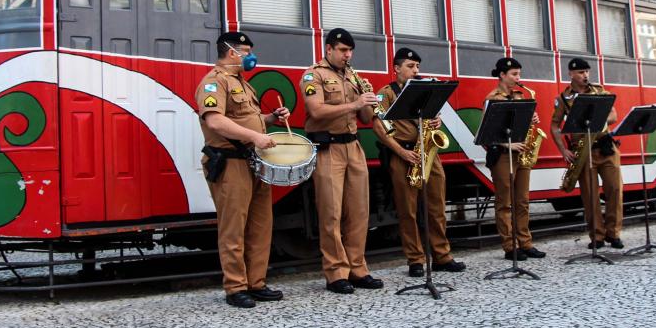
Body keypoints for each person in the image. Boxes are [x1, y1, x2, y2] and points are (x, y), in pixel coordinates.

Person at [196, 31, 290, 309]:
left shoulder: (243, 85)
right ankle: (235, 287)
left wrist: (270, 119)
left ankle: (256, 283)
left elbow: (246, 119)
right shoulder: (214, 82)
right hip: (231, 162)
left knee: (260, 225)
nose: (250, 56)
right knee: (234, 228)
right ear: (230, 52)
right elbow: (215, 121)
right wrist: (255, 137)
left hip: (254, 161)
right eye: (245, 51)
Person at [302, 28, 384, 294]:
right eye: (342, 50)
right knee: (332, 213)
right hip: (330, 149)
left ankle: (358, 268)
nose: (347, 55)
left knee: (360, 212)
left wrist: (369, 101)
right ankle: (336, 272)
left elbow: (366, 118)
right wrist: (355, 102)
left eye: (350, 51)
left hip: (353, 146)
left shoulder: (352, 75)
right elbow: (316, 110)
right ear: (329, 49)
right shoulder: (313, 75)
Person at [374, 48, 466, 277]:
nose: (416, 71)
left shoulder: (424, 90)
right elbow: (379, 127)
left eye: (417, 67)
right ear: (396, 68)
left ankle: (442, 256)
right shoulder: (385, 94)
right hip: (403, 154)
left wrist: (437, 122)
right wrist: (401, 153)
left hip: (428, 153)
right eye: (410, 66)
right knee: (408, 211)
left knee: (436, 208)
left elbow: (435, 117)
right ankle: (415, 259)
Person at [550, 57, 624, 249]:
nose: (585, 76)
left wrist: (601, 121)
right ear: (571, 74)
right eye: (581, 72)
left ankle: (613, 234)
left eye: (587, 72)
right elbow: (555, 125)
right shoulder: (563, 98)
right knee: (590, 196)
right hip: (583, 151)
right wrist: (563, 149)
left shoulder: (599, 91)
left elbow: (614, 115)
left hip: (606, 146)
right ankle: (597, 237)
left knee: (615, 190)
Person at [482, 57, 546, 261]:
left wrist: (532, 119)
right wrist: (507, 145)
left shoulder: (520, 96)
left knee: (523, 201)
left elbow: (521, 123)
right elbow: (485, 133)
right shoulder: (492, 98)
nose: (519, 78)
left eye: (519, 74)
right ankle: (510, 247)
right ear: (502, 75)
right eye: (514, 74)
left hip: (521, 152)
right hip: (503, 155)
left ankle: (526, 243)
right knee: (505, 203)